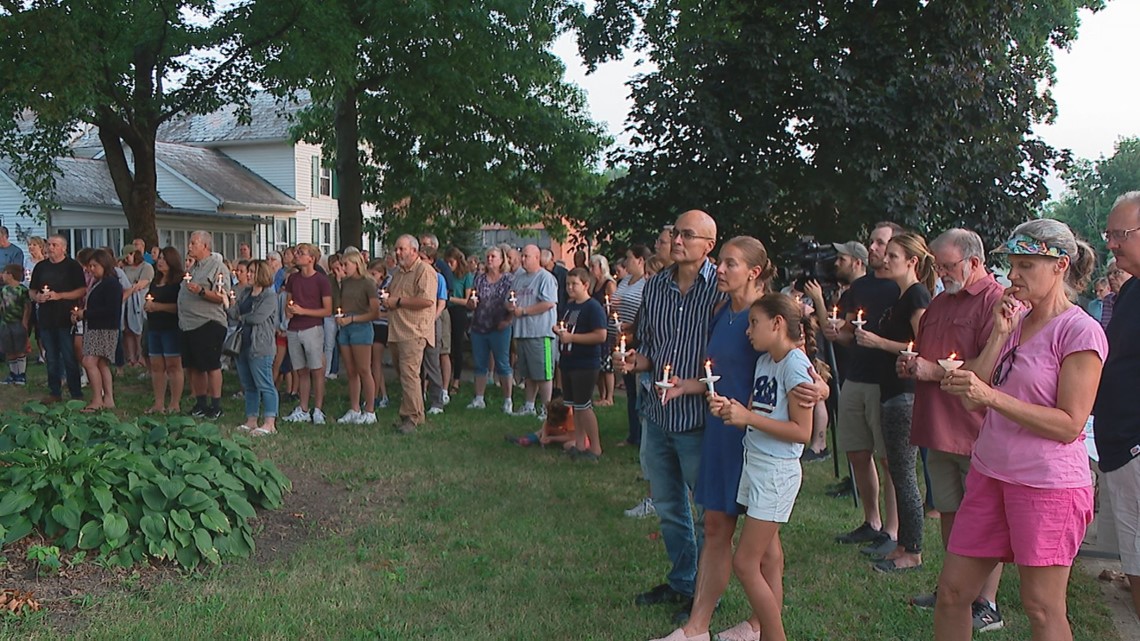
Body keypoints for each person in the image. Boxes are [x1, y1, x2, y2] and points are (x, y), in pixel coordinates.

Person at [935, 219, 1105, 641]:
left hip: (1047, 486)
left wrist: (993, 397)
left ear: (1060, 266)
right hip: (990, 474)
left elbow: (1070, 424)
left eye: (1026, 265)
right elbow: (972, 395)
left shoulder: (1080, 331)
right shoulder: (1015, 320)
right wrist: (998, 335)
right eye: (1012, 265)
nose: (1013, 275)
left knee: (1042, 608)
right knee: (952, 593)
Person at [651, 238, 823, 641]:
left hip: (760, 439)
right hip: (723, 432)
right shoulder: (722, 312)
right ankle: (698, 628)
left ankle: (761, 626)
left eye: (730, 263)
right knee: (717, 526)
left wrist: (822, 389)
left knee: (765, 544)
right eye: (720, 262)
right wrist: (689, 386)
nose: (720, 270)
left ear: (754, 272)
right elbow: (722, 374)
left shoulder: (770, 315)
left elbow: (803, 367)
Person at [896, 229, 1006, 628]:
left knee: (984, 519)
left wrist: (930, 370)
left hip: (976, 430)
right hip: (938, 427)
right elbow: (930, 355)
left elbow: (993, 367)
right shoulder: (940, 301)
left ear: (974, 262)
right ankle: (954, 588)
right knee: (949, 510)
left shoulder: (995, 302)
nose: (940, 273)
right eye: (937, 265)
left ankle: (986, 603)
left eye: (947, 266)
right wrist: (912, 364)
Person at [619, 210, 724, 620]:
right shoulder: (656, 286)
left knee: (706, 513)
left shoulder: (720, 288)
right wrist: (636, 361)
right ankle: (682, 580)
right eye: (674, 233)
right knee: (668, 506)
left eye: (687, 235)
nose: (677, 241)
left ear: (708, 245)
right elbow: (650, 347)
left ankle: (705, 594)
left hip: (699, 417)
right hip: (658, 414)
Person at [852, 232, 936, 572]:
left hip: (905, 393)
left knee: (903, 472)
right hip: (891, 390)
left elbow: (922, 344)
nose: (885, 260)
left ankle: (912, 549)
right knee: (898, 471)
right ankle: (902, 543)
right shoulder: (902, 295)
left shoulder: (916, 294)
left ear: (912, 261)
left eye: (893, 256)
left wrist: (878, 342)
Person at [826, 222, 904, 551]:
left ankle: (893, 530)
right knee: (858, 452)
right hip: (855, 377)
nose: (872, 247)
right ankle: (872, 521)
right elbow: (849, 334)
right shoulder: (860, 287)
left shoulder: (903, 288)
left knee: (889, 460)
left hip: (886, 382)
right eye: (871, 241)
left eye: (880, 243)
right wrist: (836, 333)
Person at [1093, 192, 1140, 620]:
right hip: (1121, 449)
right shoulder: (1130, 292)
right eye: (1109, 234)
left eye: (1120, 234)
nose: (1111, 244)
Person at [386, 235, 439, 434]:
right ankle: (414, 414)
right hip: (397, 330)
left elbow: (427, 300)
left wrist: (398, 301)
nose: (397, 253)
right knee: (405, 375)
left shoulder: (424, 270)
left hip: (414, 330)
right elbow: (393, 296)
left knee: (409, 374)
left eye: (402, 249)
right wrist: (387, 300)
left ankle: (413, 417)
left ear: (414, 251)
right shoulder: (398, 273)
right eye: (396, 249)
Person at [554, 267, 607, 460]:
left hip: (585, 362)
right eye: (567, 284)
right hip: (569, 360)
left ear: (585, 285)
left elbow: (600, 335)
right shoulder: (570, 306)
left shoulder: (593, 307)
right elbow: (568, 328)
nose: (570, 288)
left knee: (584, 406)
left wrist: (572, 338)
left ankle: (595, 448)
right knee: (575, 406)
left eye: (574, 284)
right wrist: (559, 331)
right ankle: (579, 444)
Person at [178, 231, 231, 420]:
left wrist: (201, 291)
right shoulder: (194, 267)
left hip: (208, 323)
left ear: (205, 246)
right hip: (188, 324)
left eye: (193, 243)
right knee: (195, 366)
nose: (189, 246)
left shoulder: (217, 267)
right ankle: (201, 403)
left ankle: (216, 405)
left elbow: (223, 296)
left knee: (211, 365)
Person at [31, 235, 86, 403]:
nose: (50, 248)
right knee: (51, 357)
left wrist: (60, 295)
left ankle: (76, 392)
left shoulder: (72, 266)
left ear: (64, 248)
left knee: (69, 356)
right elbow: (32, 290)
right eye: (49, 244)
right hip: (46, 318)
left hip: (65, 317)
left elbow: (82, 290)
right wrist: (37, 297)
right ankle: (54, 391)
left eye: (54, 245)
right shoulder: (41, 267)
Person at [282, 243, 331, 424]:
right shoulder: (293, 279)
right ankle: (303, 408)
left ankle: (318, 409)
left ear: (311, 258)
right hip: (294, 328)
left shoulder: (321, 281)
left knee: (316, 370)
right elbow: (288, 301)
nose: (296, 255)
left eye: (301, 253)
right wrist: (289, 312)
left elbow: (327, 310)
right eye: (296, 252)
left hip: (313, 328)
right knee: (301, 370)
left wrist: (303, 311)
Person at [232, 259, 280, 436]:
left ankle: (270, 422)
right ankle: (251, 419)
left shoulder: (269, 296)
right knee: (249, 385)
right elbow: (234, 313)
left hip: (260, 345)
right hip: (243, 344)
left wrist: (242, 317)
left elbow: (257, 317)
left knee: (265, 383)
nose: (248, 274)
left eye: (252, 271)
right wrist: (228, 302)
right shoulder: (245, 293)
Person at [510, 245, 559, 418]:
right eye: (522, 256)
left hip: (540, 331)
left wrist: (524, 311)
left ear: (537, 257)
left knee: (543, 373)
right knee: (528, 373)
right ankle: (529, 405)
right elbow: (511, 297)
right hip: (522, 331)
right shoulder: (518, 278)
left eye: (527, 256)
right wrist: (510, 306)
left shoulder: (545, 278)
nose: (523, 259)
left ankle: (547, 408)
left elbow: (548, 303)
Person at [332, 248, 379, 425]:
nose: (343, 268)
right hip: (345, 326)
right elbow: (339, 303)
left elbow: (374, 312)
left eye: (346, 264)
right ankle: (354, 408)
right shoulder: (344, 282)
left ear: (356, 264)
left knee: (364, 369)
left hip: (360, 326)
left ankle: (370, 410)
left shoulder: (368, 283)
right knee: (351, 370)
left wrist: (352, 319)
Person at [466, 246, 515, 413]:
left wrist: (508, 320)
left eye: (493, 256)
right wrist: (471, 303)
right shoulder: (479, 279)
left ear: (501, 260)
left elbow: (514, 302)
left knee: (502, 363)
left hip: (499, 326)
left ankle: (508, 400)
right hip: (479, 325)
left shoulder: (508, 279)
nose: (489, 259)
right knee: (480, 363)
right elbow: (471, 300)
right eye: (487, 256)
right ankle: (479, 398)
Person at [75, 249, 123, 412]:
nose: (91, 269)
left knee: (89, 362)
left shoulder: (111, 284)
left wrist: (85, 314)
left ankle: (97, 399)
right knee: (101, 363)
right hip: (95, 327)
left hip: (104, 328)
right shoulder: (100, 282)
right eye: (90, 266)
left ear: (104, 265)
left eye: (94, 266)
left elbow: (110, 310)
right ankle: (108, 398)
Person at [615, 244, 652, 447]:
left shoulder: (647, 283)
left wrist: (633, 330)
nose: (626, 262)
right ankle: (633, 434)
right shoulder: (626, 280)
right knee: (630, 390)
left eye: (629, 258)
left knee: (639, 390)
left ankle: (640, 434)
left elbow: (644, 312)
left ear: (640, 260)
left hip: (637, 341)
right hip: (624, 335)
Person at [144, 247, 186, 414]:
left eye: (163, 258)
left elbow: (180, 306)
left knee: (173, 365)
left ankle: (174, 403)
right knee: (156, 366)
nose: (160, 261)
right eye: (159, 258)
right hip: (154, 327)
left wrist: (158, 307)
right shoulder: (155, 281)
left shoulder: (178, 283)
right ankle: (158, 403)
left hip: (171, 327)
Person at [445, 247, 474, 395]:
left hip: (458, 310)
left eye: (451, 262)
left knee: (457, 346)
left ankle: (456, 379)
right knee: (445, 346)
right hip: (445, 310)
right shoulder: (445, 275)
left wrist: (450, 298)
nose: (449, 265)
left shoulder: (466, 275)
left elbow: (467, 301)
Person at [120, 246, 154, 368]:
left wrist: (130, 289)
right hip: (127, 300)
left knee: (138, 328)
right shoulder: (124, 268)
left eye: (128, 256)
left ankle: (141, 357)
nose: (127, 259)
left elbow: (142, 283)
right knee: (127, 329)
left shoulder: (146, 267)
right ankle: (131, 358)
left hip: (139, 299)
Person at [505, 394, 578, 449]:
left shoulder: (571, 416)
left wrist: (551, 438)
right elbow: (547, 423)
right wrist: (544, 435)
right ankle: (527, 440)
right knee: (543, 431)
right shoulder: (555, 410)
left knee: (567, 445)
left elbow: (571, 437)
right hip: (568, 432)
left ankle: (574, 452)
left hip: (577, 436)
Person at [0, 265, 30, 385]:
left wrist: (25, 321)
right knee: (9, 349)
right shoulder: (3, 290)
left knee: (20, 348)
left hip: (18, 322)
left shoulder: (22, 290)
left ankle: (21, 375)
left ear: (10, 275)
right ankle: (13, 373)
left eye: (4, 273)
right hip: (5, 323)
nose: (2, 276)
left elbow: (27, 306)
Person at [367, 259, 392, 409]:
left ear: (381, 274)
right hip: (371, 323)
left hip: (381, 325)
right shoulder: (371, 286)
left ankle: (375, 396)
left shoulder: (388, 287)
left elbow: (389, 311)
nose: (371, 277)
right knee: (372, 363)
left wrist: (377, 314)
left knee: (376, 361)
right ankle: (383, 394)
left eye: (374, 274)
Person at [1101, 257, 1132, 329]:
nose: (1110, 277)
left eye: (1116, 272)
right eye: (1108, 274)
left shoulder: (1135, 299)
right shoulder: (1108, 300)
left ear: (1131, 274)